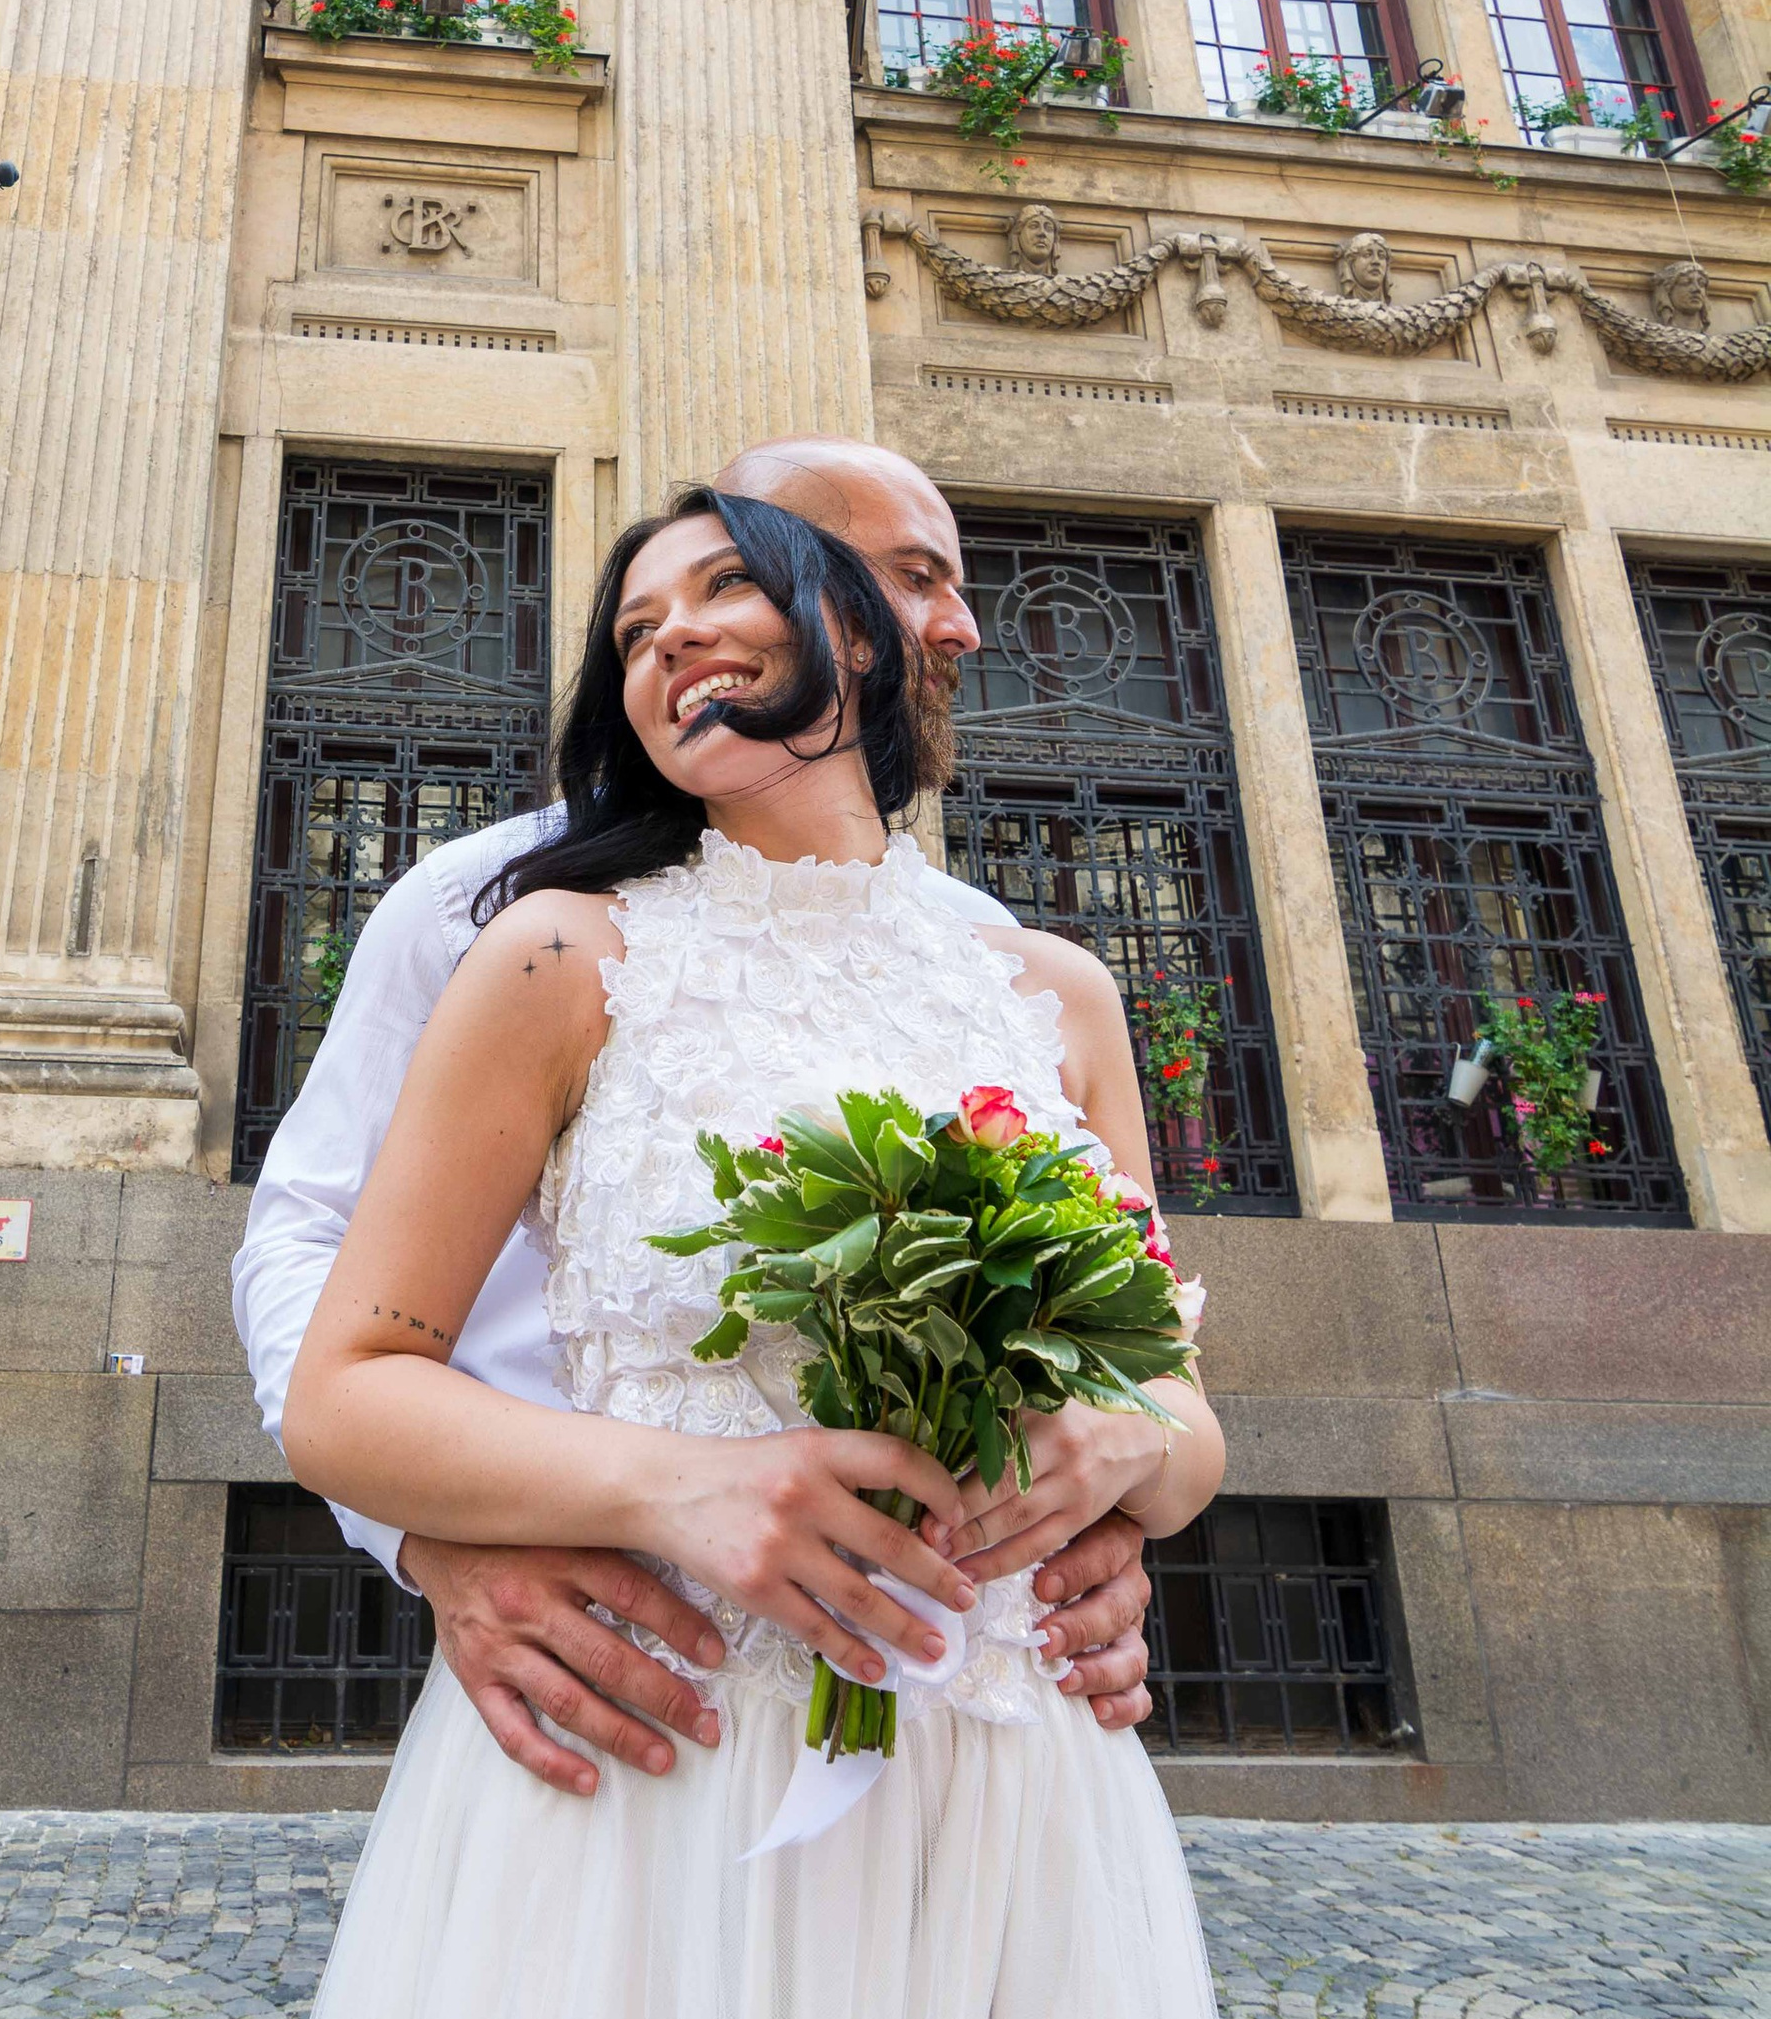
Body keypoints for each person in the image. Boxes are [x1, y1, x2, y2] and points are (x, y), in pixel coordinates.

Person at [192, 491, 1284, 2019]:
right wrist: (669, 1486)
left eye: (717, 590)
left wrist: (1116, 1462)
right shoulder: (545, 944)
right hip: (677, 1771)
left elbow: (1177, 1393)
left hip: (1006, 1781)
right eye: (629, 627)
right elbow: (347, 1372)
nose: (666, 641)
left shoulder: (1049, 990)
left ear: (856, 644)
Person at [234, 439, 1155, 1785]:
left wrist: (1114, 1488)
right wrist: (436, 1544)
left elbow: (1134, 1356)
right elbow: (309, 1256)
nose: (960, 624)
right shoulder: (506, 915)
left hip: (984, 1712)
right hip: (645, 1663)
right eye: (914, 576)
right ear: (814, 589)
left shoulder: (1007, 965)